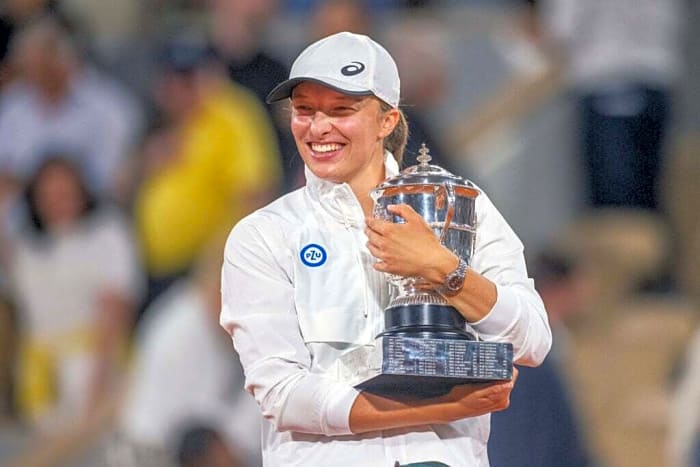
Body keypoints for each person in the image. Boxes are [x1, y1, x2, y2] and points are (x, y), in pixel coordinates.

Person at [220, 31, 552, 466]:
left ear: (387, 121)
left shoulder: (458, 206)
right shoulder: (265, 235)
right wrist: (444, 408)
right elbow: (282, 394)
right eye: (304, 110)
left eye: (341, 110)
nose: (318, 127)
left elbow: (531, 340)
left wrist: (443, 270)